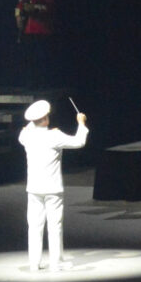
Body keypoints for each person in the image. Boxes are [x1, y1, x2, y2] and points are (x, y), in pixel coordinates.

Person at [19, 99, 87, 271]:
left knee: (34, 227)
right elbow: (79, 142)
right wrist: (81, 123)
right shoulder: (55, 136)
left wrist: (40, 124)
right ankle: (55, 264)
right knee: (54, 226)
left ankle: (34, 263)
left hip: (34, 188)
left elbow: (28, 127)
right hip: (53, 189)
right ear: (45, 119)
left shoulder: (26, 136)